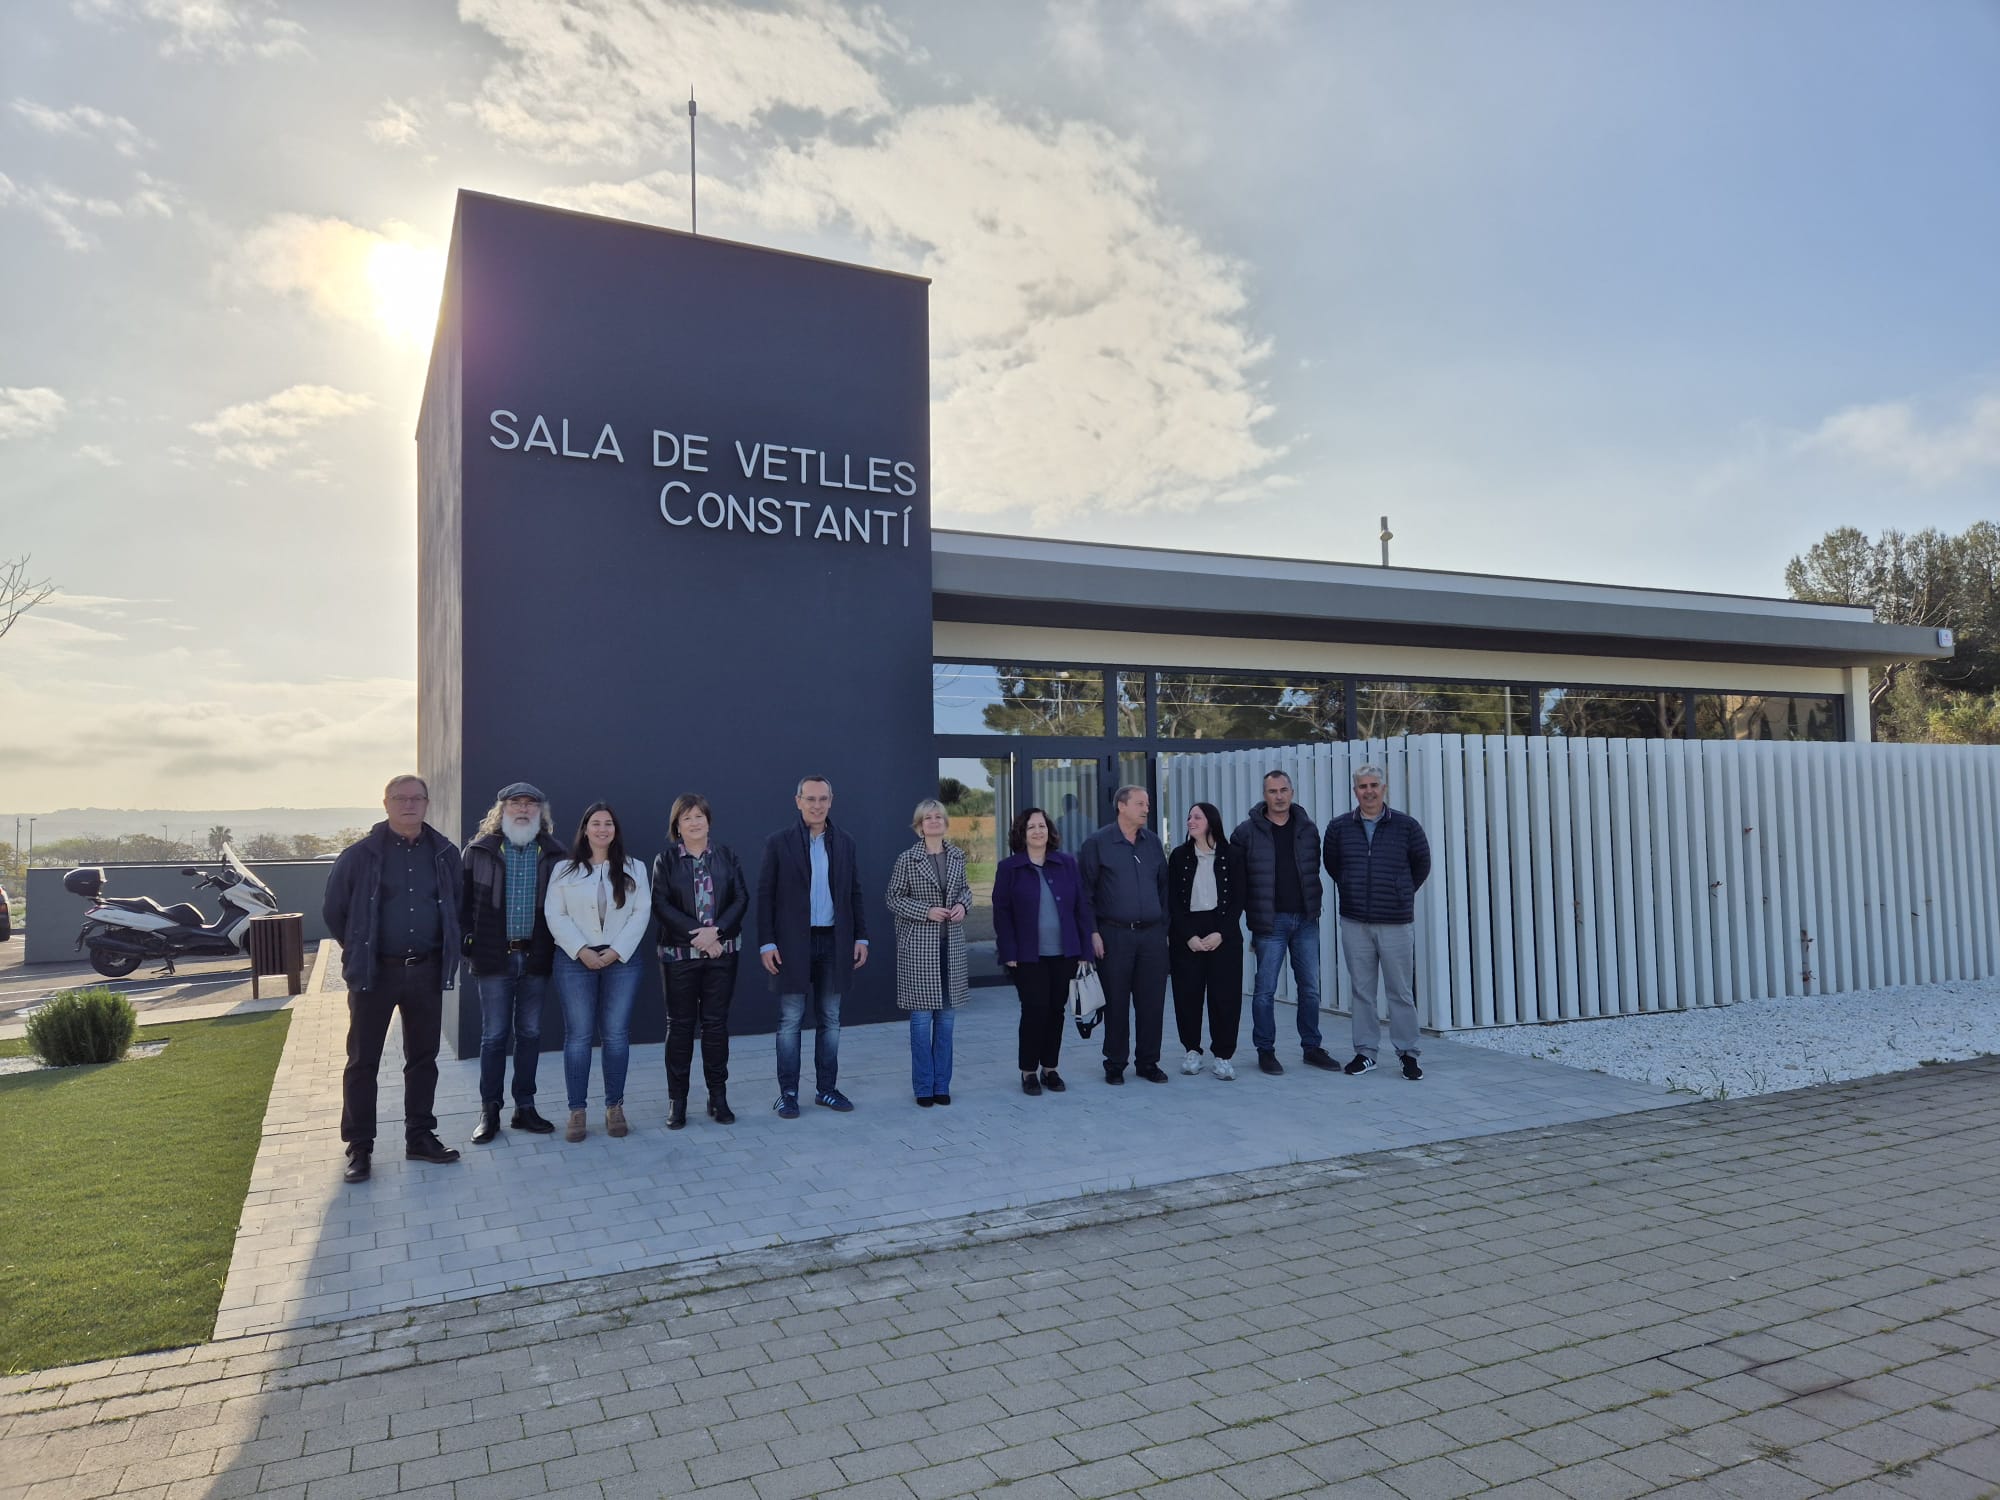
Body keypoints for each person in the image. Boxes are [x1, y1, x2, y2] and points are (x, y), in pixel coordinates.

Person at [323, 774, 464, 1184]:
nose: (408, 804)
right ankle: (360, 1146)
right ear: (385, 803)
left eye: (416, 798)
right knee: (362, 1061)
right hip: (374, 973)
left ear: (426, 803)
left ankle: (420, 1137)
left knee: (422, 1059)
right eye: (400, 798)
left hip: (426, 971)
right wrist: (362, 949)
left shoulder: (444, 853)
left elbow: (458, 905)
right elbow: (335, 912)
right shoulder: (358, 856)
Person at [459, 782, 566, 1144]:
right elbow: (461, 905)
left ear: (540, 812)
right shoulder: (479, 851)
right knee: (493, 1037)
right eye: (515, 803)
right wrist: (468, 944)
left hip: (536, 958)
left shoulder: (555, 854)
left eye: (530, 804)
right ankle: (489, 1111)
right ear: (502, 810)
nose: (523, 809)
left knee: (530, 1034)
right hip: (493, 958)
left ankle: (525, 1107)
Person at [757, 775, 868, 1117]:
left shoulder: (845, 842)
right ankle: (788, 1093)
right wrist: (766, 942)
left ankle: (826, 1090)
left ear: (831, 801)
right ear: (798, 801)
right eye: (810, 799)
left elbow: (854, 892)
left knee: (830, 1019)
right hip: (792, 944)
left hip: (834, 942)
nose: (817, 805)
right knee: (790, 1020)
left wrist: (861, 936)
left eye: (822, 799)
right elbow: (765, 895)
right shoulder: (778, 842)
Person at [544, 802, 652, 1140]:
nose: (602, 829)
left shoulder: (635, 868)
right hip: (575, 961)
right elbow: (555, 915)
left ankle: (614, 1106)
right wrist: (582, 950)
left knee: (616, 1035)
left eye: (608, 823)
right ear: (585, 829)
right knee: (578, 1036)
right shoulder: (564, 871)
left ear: (615, 830)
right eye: (596, 823)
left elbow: (641, 913)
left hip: (622, 961)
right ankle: (577, 1111)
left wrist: (616, 951)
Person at [1323, 763, 1433, 1080]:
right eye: (1363, 786)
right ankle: (1365, 1053)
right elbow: (1333, 864)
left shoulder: (1406, 826)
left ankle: (1408, 1054)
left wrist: (1399, 891)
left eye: (1374, 785)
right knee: (1362, 991)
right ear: (1355, 791)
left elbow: (1421, 864)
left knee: (1400, 991)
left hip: (1395, 921)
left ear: (1383, 789)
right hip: (1355, 921)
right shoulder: (1339, 827)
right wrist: (1352, 887)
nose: (1368, 791)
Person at [1230, 769, 1338, 1076]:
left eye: (1283, 790)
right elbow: (1235, 879)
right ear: (1264, 795)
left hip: (1305, 920)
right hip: (1269, 923)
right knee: (1265, 991)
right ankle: (1265, 1051)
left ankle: (1312, 1048)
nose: (1279, 796)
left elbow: (1314, 870)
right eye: (1272, 791)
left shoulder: (1308, 828)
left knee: (1310, 989)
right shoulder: (1246, 832)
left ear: (1292, 792)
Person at [653, 794, 747, 1128]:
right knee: (679, 1027)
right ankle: (677, 1101)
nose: (694, 823)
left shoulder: (727, 856)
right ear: (677, 826)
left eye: (699, 816)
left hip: (722, 953)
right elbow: (661, 904)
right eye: (687, 818)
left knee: (715, 1025)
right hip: (679, 956)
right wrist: (699, 935)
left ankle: (717, 1097)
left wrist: (716, 932)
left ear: (708, 821)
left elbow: (741, 898)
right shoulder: (665, 861)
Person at [991, 806, 1095, 1095]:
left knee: (1056, 1011)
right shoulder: (1009, 868)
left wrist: (1085, 950)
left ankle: (1050, 1068)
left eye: (1042, 826)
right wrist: (1008, 951)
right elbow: (1002, 913)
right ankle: (1028, 1071)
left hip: (1065, 953)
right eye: (1031, 827)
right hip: (1027, 955)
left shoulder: (1067, 863)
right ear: (1021, 834)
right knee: (1034, 1010)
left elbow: (1081, 908)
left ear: (1049, 831)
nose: (1038, 831)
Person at [1078, 785, 1169, 1085]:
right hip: (1114, 936)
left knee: (1152, 1003)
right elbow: (1085, 894)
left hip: (1152, 937)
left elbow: (1164, 889)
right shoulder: (1097, 843)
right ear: (1121, 806)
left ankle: (1148, 1062)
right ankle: (1115, 1064)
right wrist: (1092, 932)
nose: (1147, 809)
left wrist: (1164, 929)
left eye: (1148, 804)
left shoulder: (1152, 842)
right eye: (1140, 803)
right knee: (1116, 1003)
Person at [885, 799, 974, 1106]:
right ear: (919, 825)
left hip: (952, 948)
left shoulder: (958, 856)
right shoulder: (907, 859)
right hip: (920, 949)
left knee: (946, 1020)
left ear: (945, 822)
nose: (934, 821)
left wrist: (963, 905)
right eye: (928, 818)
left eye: (938, 816)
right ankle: (923, 1087)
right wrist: (926, 911)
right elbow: (893, 898)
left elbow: (965, 890)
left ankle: (941, 1085)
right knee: (922, 1021)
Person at [1168, 801, 1245, 1079]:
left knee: (1225, 996)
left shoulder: (1232, 854)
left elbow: (1239, 898)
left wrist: (1221, 932)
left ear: (1211, 821)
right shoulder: (1179, 856)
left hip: (1223, 931)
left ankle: (1223, 1055)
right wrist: (1188, 936)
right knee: (1187, 994)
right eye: (1189, 817)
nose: (1190, 821)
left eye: (1197, 817)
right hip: (1187, 931)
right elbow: (1172, 900)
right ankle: (1192, 1050)